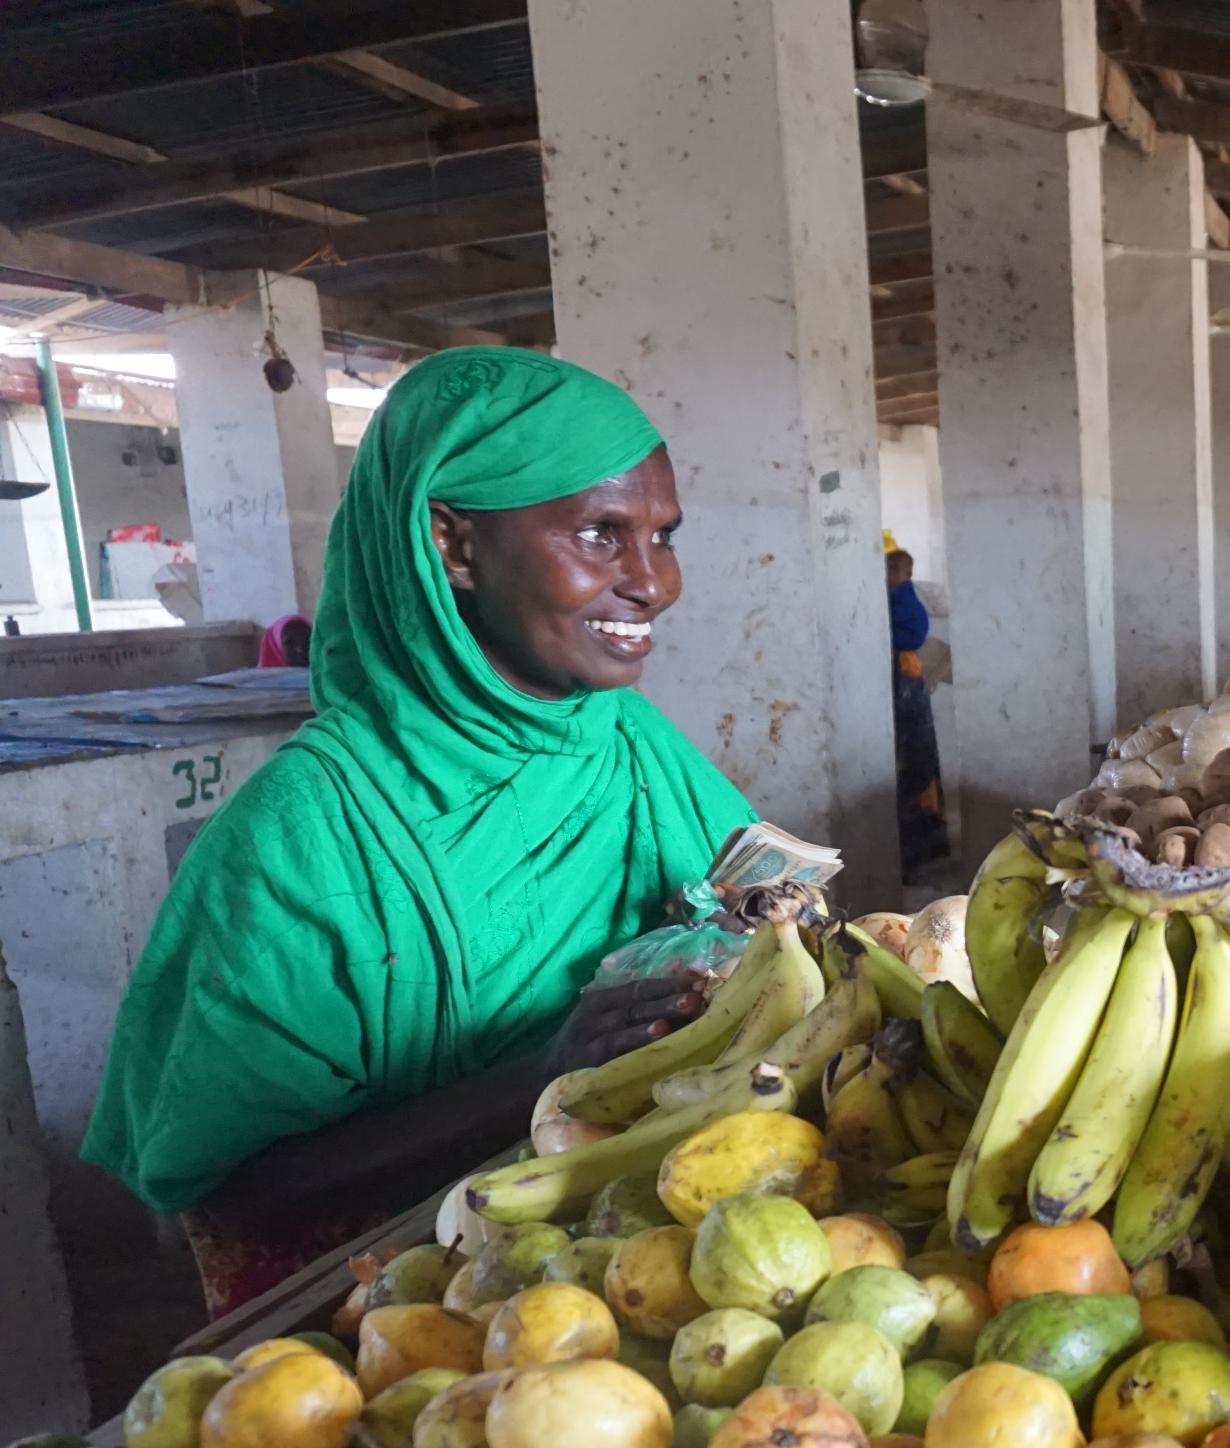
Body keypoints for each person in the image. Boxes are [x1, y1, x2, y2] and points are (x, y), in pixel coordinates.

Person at [85, 348, 752, 1315]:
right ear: (452, 545)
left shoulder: (631, 747)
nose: (653, 583)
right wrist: (540, 1079)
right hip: (409, 1310)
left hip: (654, 1265)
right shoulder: (305, 835)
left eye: (664, 536)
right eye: (603, 536)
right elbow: (230, 1189)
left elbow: (751, 912)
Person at [887, 542, 948, 874]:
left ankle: (919, 849)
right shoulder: (881, 598)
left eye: (898, 570)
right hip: (895, 693)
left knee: (915, 766)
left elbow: (913, 635)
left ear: (909, 574)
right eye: (887, 569)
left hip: (907, 693)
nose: (891, 575)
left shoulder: (906, 602)